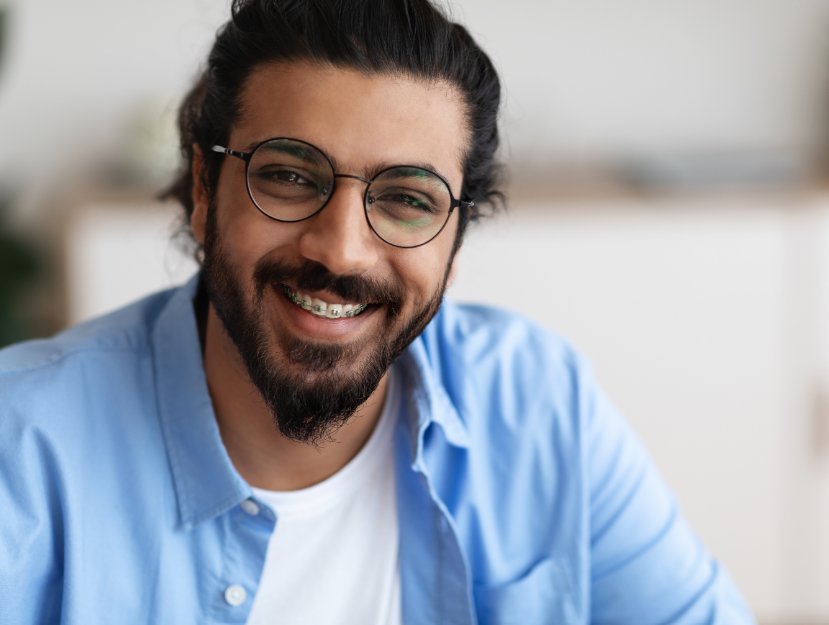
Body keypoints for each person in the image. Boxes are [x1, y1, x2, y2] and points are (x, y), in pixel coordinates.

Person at [0, 1, 756, 623]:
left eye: (405, 198)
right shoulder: (22, 441)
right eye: (291, 176)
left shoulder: (538, 399)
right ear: (204, 190)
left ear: (456, 242)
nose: (343, 251)